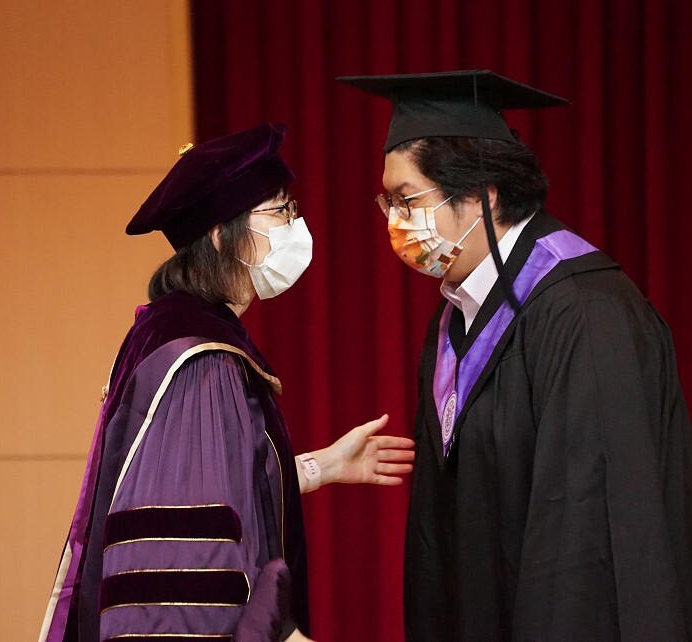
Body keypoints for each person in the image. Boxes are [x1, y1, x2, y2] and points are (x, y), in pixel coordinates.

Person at [339, 70, 692, 640]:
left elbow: (589, 543)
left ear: (484, 194)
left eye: (408, 200)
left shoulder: (584, 313)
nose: (396, 223)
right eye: (389, 203)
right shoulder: (457, 317)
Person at [39, 123, 414, 642]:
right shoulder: (201, 357)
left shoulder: (176, 330)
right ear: (220, 234)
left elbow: (214, 489)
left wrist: (320, 466)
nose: (296, 226)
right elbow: (188, 553)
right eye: (280, 211)